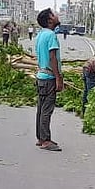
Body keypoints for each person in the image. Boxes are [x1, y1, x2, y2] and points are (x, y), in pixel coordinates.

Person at [35, 8, 64, 151]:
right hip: (48, 78)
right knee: (47, 110)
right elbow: (52, 57)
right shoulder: (51, 35)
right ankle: (46, 140)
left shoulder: (40, 35)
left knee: (41, 109)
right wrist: (59, 78)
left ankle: (41, 138)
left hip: (41, 76)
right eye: (54, 14)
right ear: (50, 20)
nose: (57, 15)